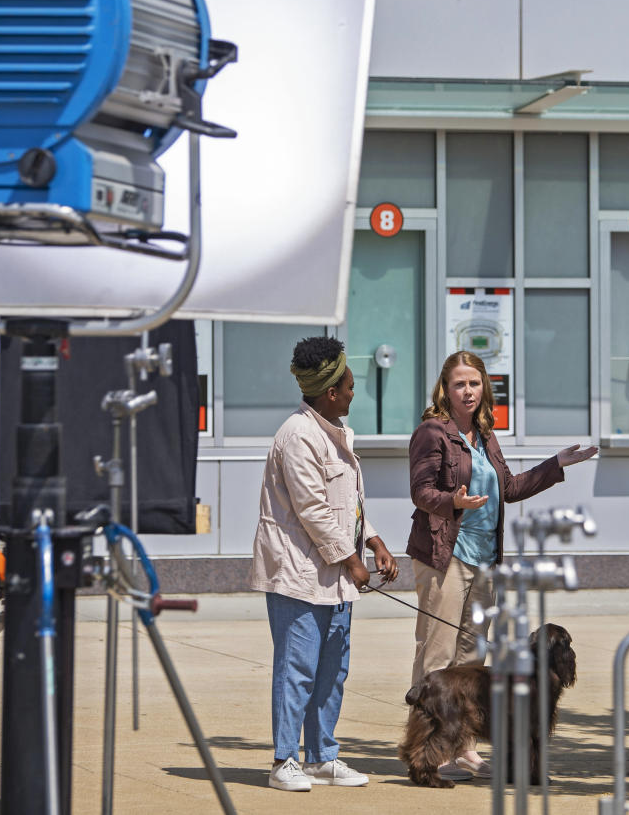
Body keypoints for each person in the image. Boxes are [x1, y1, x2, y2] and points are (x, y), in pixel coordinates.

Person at [406, 350, 597, 780]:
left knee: (472, 658)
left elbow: (507, 488)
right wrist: (452, 500)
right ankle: (425, 750)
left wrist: (556, 465)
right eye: (459, 383)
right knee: (437, 655)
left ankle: (461, 744)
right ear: (445, 388)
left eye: (474, 383)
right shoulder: (432, 432)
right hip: (444, 554)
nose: (468, 391)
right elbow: (420, 491)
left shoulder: (485, 434)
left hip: (484, 558)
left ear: (483, 388)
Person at [249, 336, 398, 792]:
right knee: (297, 669)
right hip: (298, 575)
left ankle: (322, 757)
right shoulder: (297, 436)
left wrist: (373, 538)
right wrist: (352, 560)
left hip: (334, 578)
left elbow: (344, 505)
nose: (355, 392)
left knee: (333, 669)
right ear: (331, 392)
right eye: (350, 386)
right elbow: (312, 510)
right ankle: (284, 761)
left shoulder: (334, 432)